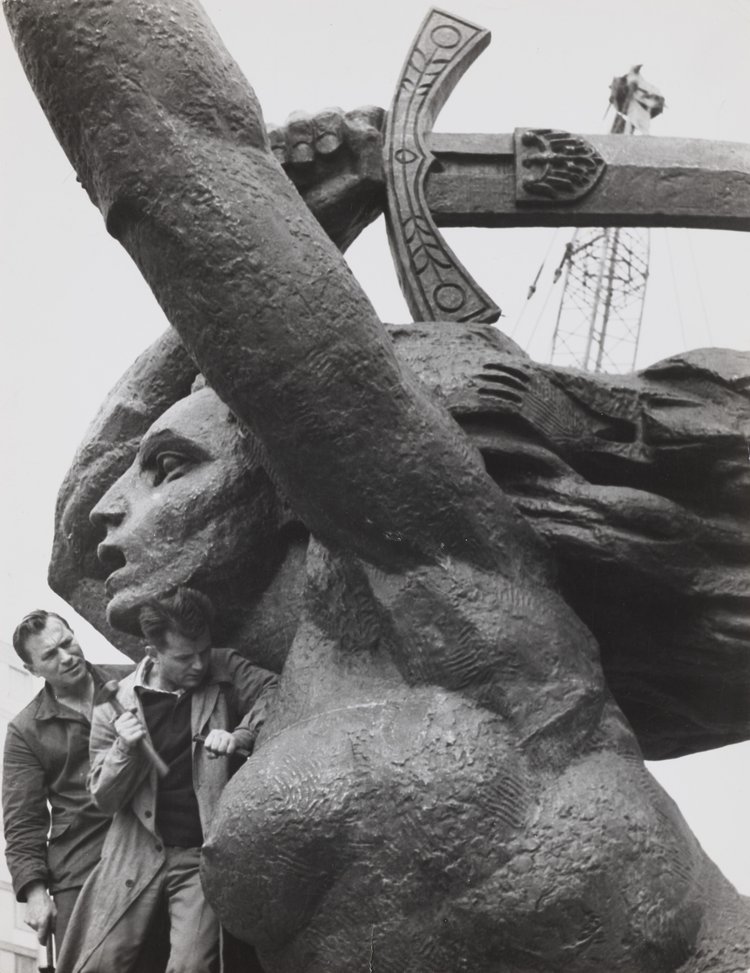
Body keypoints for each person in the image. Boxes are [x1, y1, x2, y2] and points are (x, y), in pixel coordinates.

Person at [5, 1, 750, 970]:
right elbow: (73, 548)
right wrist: (233, 301)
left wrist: (265, 230)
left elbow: (164, 136)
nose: (115, 506)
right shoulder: (258, 669)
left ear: (288, 477)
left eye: (169, 468)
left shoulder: (456, 599)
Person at [56, 586, 276, 973]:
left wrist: (241, 735)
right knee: (100, 963)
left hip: (198, 853)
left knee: (193, 966)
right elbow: (104, 800)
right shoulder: (115, 705)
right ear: (153, 653)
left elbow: (277, 690)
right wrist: (125, 749)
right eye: (184, 657)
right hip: (136, 853)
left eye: (203, 650)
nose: (199, 664)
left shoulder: (223, 667)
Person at [2, 610, 132, 952]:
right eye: (50, 655)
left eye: (67, 642)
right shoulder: (24, 731)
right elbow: (23, 823)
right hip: (81, 866)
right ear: (32, 669)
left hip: (154, 840)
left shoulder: (132, 681)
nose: (66, 657)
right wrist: (35, 894)